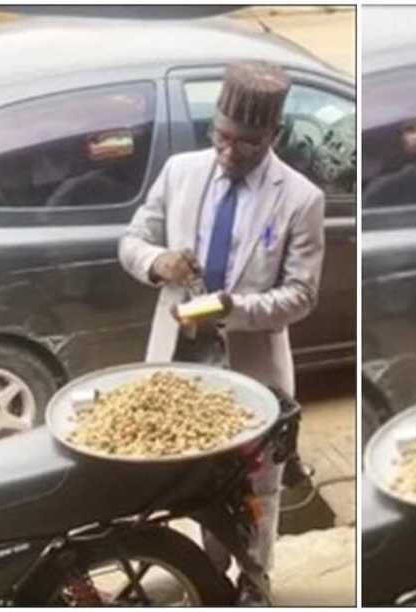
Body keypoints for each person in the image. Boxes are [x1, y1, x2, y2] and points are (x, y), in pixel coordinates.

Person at [119, 60, 325, 603]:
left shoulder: (301, 199)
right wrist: (159, 261)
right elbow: (132, 240)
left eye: (248, 144)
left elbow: (302, 296)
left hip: (252, 365)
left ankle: (255, 581)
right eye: (223, 138)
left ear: (273, 137)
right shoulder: (181, 172)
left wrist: (234, 308)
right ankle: (207, 573)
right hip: (180, 360)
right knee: (199, 477)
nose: (231, 152)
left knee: (256, 483)